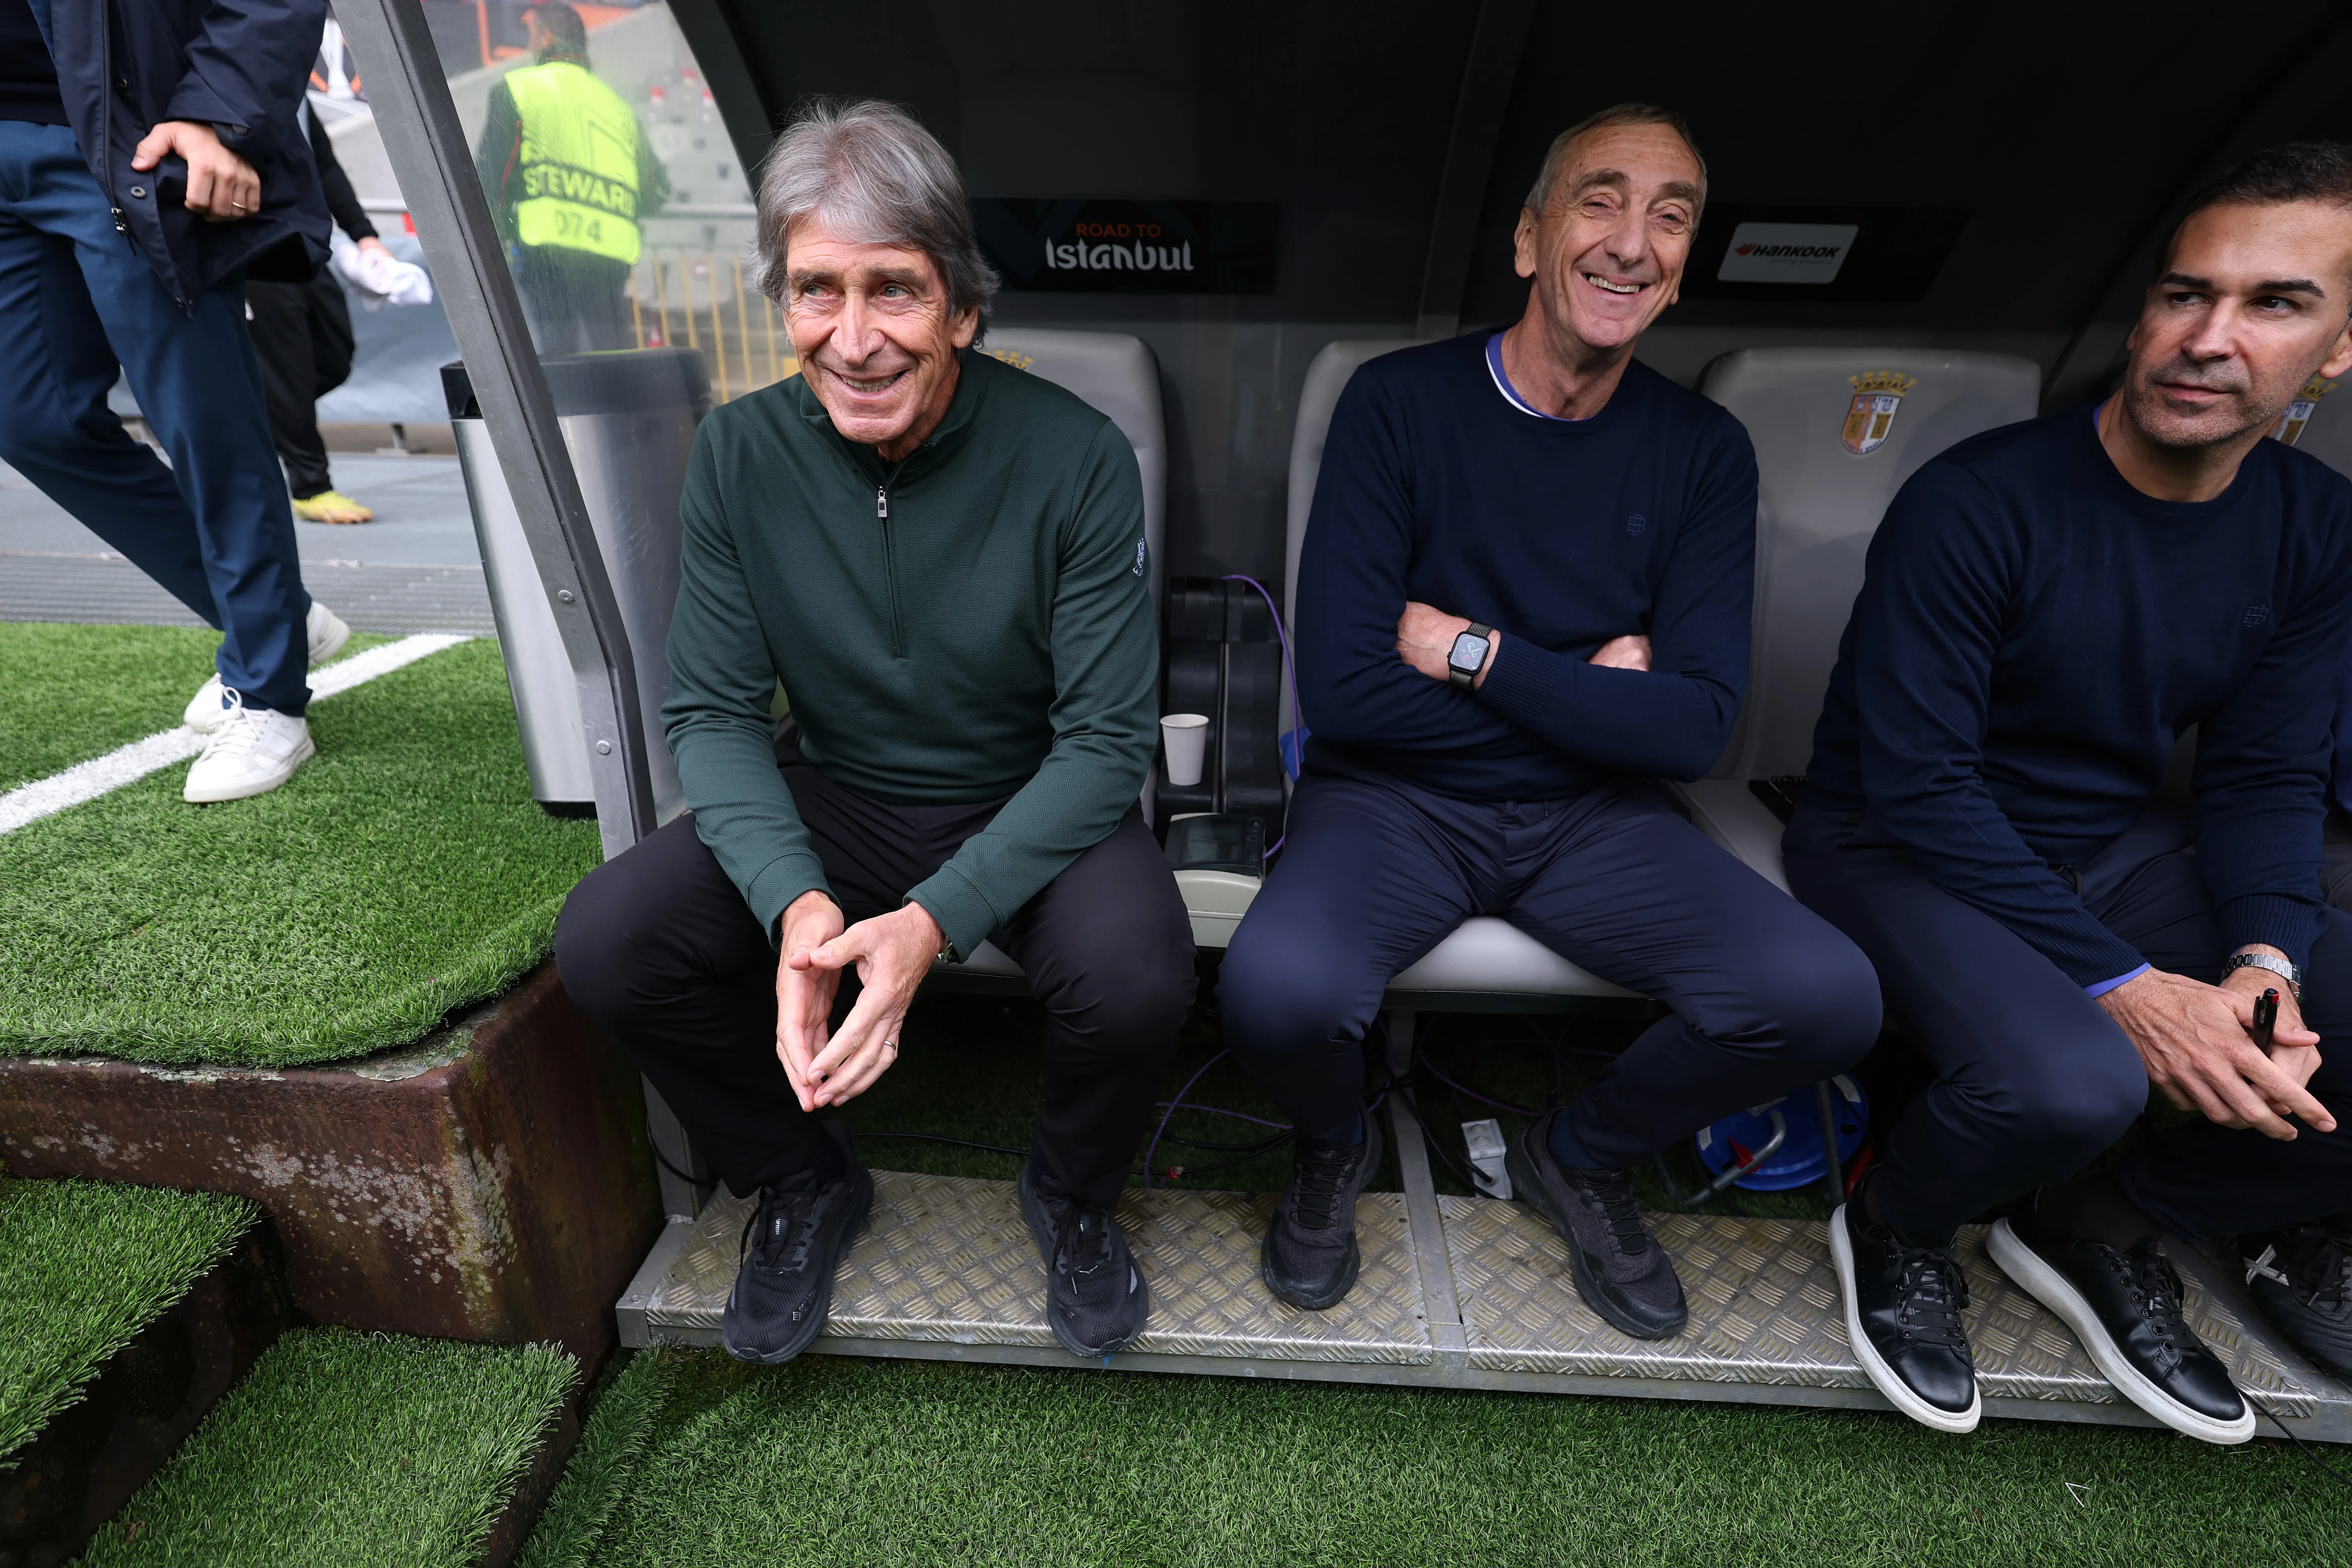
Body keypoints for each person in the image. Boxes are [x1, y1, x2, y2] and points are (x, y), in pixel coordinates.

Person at [1215, 104, 1882, 1334]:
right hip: (1394, 803)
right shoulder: (1397, 403)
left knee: (1826, 996)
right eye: (1600, 201)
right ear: (1529, 239)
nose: (1632, 241)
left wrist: (1473, 653)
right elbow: (1349, 692)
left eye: (1669, 217)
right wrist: (1597, 693)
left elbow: (1693, 732)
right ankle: (1332, 1141)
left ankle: (1576, 1153)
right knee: (1274, 989)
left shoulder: (1703, 450)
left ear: (1681, 266)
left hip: (1595, 821)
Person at [555, 101, 1194, 1367]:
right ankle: (802, 1178)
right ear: (783, 300)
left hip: (1027, 799)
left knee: (1139, 977)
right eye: (816, 292)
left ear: (962, 306)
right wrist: (795, 901)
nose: (852, 341)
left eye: (893, 290)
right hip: (839, 792)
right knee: (608, 941)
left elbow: (1105, 743)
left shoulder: (1076, 457)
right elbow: (714, 713)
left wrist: (930, 923)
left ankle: (1072, 1193)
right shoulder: (739, 453)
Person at [1786, 143, 2352, 1442]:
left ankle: (2101, 1220)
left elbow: (2266, 772)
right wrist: (2135, 990)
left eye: (2274, 303)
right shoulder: (1979, 499)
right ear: (2144, 311)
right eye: (2185, 294)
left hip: (2110, 847)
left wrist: (2263, 964)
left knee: (2310, 1003)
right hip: (1894, 844)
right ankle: (1897, 1223)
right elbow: (1922, 786)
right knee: (2078, 1083)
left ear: (2338, 349)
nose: (2209, 338)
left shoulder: (2316, 524)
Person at [1, 0, 351, 804]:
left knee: (203, 418)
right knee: (31, 419)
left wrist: (215, 112)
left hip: (126, 134)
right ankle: (278, 616)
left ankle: (268, 693)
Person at [472, 2, 667, 354]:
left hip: (547, 254)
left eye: (532, 36)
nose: (530, 46)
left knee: (558, 357)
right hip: (610, 256)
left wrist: (496, 242)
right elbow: (658, 189)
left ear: (546, 38)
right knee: (612, 355)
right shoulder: (617, 107)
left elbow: (491, 179)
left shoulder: (518, 89)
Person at [245, 108, 387, 524]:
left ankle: (245, 416)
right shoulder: (220, 82)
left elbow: (323, 165)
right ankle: (311, 487)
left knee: (334, 356)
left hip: (303, 241)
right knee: (287, 373)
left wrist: (365, 236)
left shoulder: (295, 93)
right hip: (248, 244)